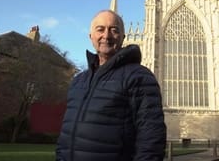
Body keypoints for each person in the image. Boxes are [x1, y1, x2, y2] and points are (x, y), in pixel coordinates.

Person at [56, 10, 166, 161]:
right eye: (100, 29)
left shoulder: (139, 77)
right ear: (91, 36)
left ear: (123, 37)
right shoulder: (78, 81)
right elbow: (66, 136)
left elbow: (151, 138)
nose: (106, 36)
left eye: (114, 30)